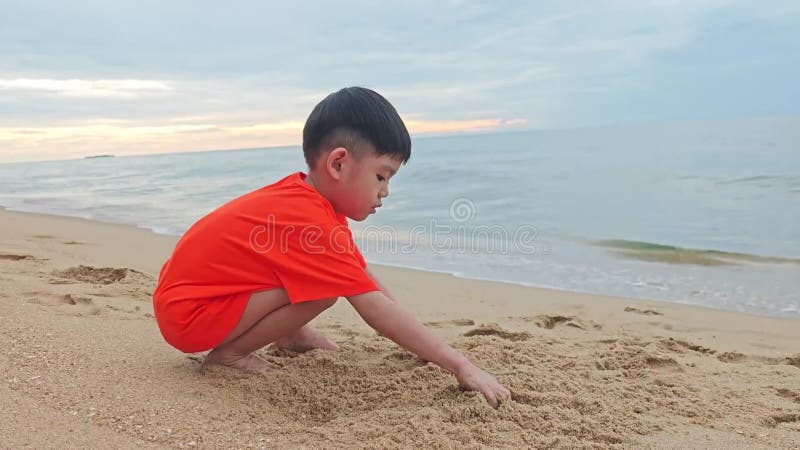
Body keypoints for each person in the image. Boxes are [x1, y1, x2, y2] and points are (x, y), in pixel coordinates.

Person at [152, 87, 511, 407]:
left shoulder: (308, 201)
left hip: (187, 302)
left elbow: (364, 277)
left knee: (320, 277)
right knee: (323, 291)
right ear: (338, 163)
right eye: (381, 176)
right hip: (190, 317)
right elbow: (375, 311)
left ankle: (291, 335)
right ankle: (230, 355)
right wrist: (460, 366)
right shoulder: (312, 221)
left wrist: (418, 347)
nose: (385, 192)